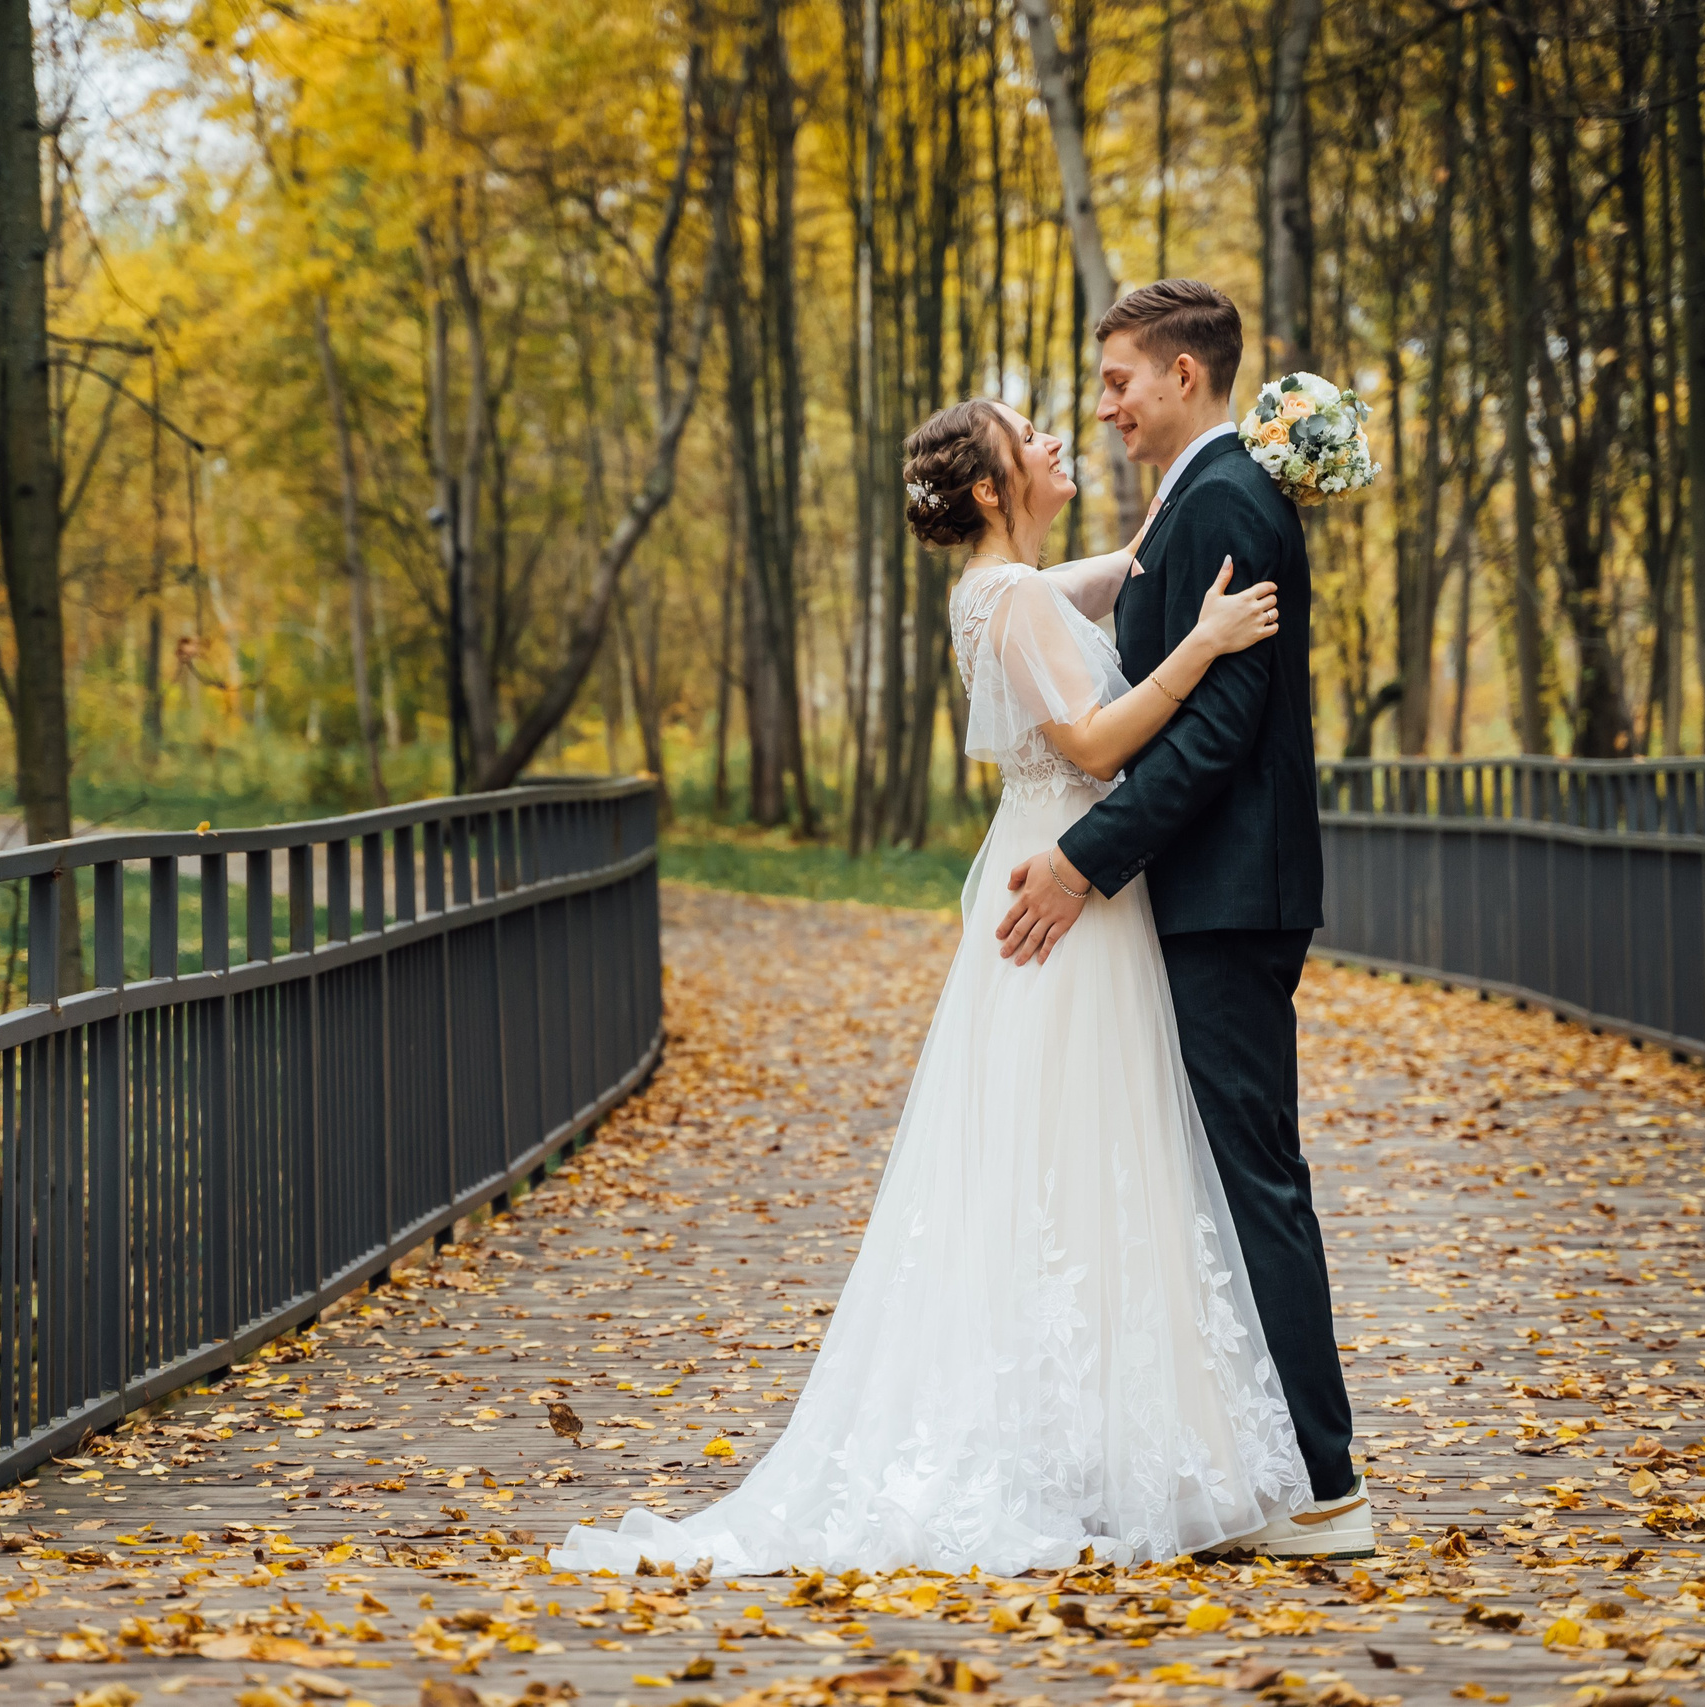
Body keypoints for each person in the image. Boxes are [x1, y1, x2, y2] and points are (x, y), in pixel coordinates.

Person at [547, 392, 1309, 1576]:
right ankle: (1091, 1445)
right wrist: (1204, 645)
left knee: (1055, 1151)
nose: (1054, 438)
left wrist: (1243, 478)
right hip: (1064, 884)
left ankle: (1090, 1436)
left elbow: (1130, 564)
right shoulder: (1014, 598)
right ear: (995, 490)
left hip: (1052, 866)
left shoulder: (1001, 590)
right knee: (1080, 1147)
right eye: (1029, 436)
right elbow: (1093, 743)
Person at [993, 278, 1366, 1560]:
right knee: (1214, 1183)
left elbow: (1215, 736)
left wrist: (1080, 862)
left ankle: (1324, 1490)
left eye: (1119, 381)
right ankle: (1254, 1469)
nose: (1104, 405)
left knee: (1255, 1183)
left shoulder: (1224, 501)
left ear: (1183, 376)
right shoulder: (1193, 498)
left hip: (1225, 900)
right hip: (1203, 893)